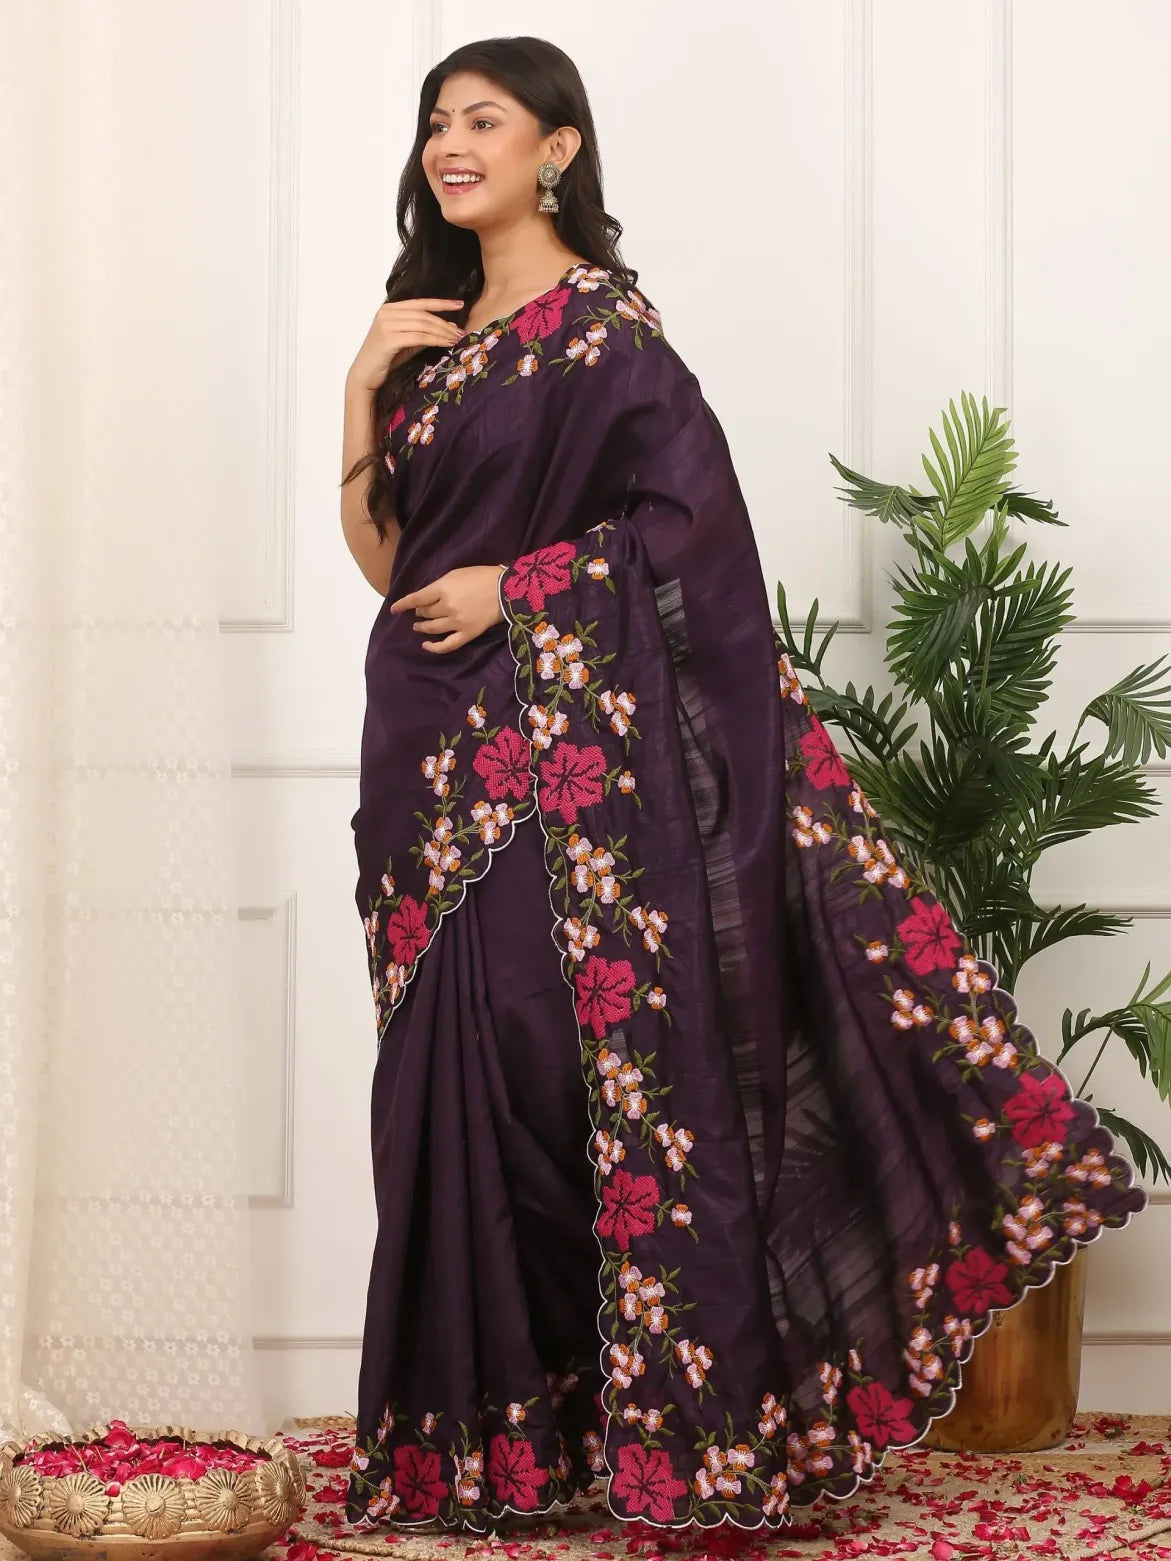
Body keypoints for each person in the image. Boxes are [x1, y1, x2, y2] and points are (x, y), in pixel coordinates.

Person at [336, 35, 1146, 1536]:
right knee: (436, 1092)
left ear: (558, 147)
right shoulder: (433, 330)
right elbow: (393, 573)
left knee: (539, 1069)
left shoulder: (610, 337)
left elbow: (696, 544)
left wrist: (517, 588)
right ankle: (495, 1452)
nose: (453, 144)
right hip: (420, 771)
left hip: (547, 767)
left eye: (485, 119)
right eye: (437, 121)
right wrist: (360, 388)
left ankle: (649, 1425)